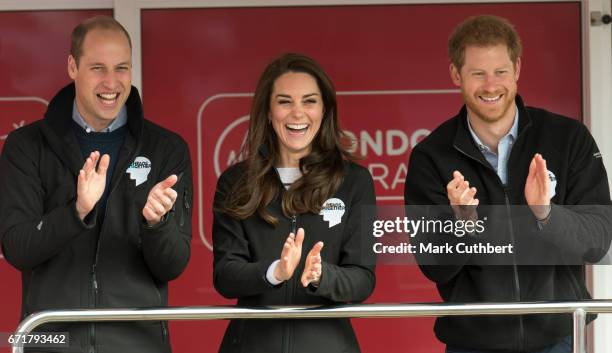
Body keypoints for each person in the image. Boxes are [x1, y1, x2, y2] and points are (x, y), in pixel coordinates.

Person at [404, 15, 612, 353]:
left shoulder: (568, 138)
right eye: (477, 73)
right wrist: (464, 227)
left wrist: (546, 213)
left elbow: (597, 241)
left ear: (516, 69)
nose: (490, 85)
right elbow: (434, 267)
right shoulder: (431, 156)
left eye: (500, 71)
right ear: (456, 74)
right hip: (471, 343)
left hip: (556, 338)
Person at [0, 16, 192, 353]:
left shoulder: (166, 148)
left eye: (121, 68)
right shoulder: (25, 146)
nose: (111, 82)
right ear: (73, 66)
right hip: (50, 342)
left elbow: (173, 265)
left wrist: (156, 224)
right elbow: (18, 248)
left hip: (137, 344)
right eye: (97, 68)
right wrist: (77, 212)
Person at [212, 53, 376, 353]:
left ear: (325, 109)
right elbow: (226, 276)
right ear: (268, 110)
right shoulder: (235, 182)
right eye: (285, 101)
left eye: (309, 101)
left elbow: (363, 279)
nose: (297, 113)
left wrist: (322, 275)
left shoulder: (354, 181)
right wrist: (276, 271)